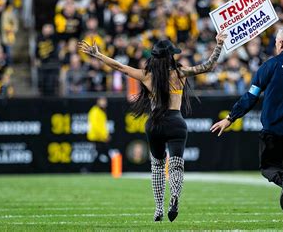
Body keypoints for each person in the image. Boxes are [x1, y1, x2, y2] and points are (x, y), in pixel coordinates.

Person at [79, 31, 228, 222]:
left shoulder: (146, 75)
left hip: (155, 123)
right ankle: (175, 197)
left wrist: (97, 54)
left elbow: (120, 67)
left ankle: (158, 208)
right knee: (176, 166)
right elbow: (208, 66)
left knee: (157, 167)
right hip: (176, 122)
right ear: (169, 56)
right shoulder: (180, 73)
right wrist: (219, 45)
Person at [210, 26, 283, 228]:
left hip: (275, 129)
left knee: (268, 168)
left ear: (281, 43)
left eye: (276, 42)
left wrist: (230, 118)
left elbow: (251, 97)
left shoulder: (269, 66)